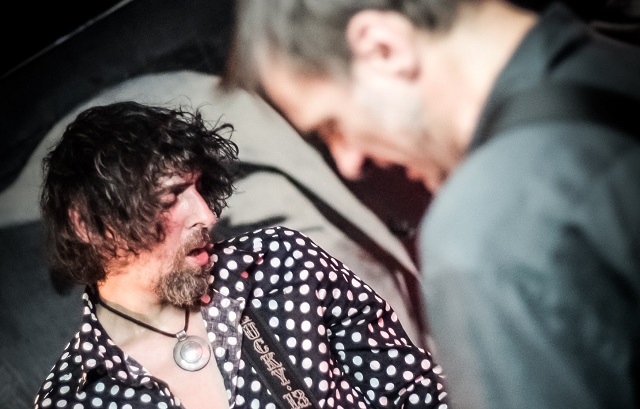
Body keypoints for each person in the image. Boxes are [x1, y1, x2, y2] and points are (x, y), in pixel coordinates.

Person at [222, 1, 640, 409]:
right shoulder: (613, 60)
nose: (349, 162)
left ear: (382, 48)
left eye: (332, 126)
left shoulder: (480, 230)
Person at [33, 100, 448, 409]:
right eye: (172, 197)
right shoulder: (71, 399)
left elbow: (417, 392)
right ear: (89, 225)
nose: (207, 215)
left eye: (199, 188)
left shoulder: (279, 263)